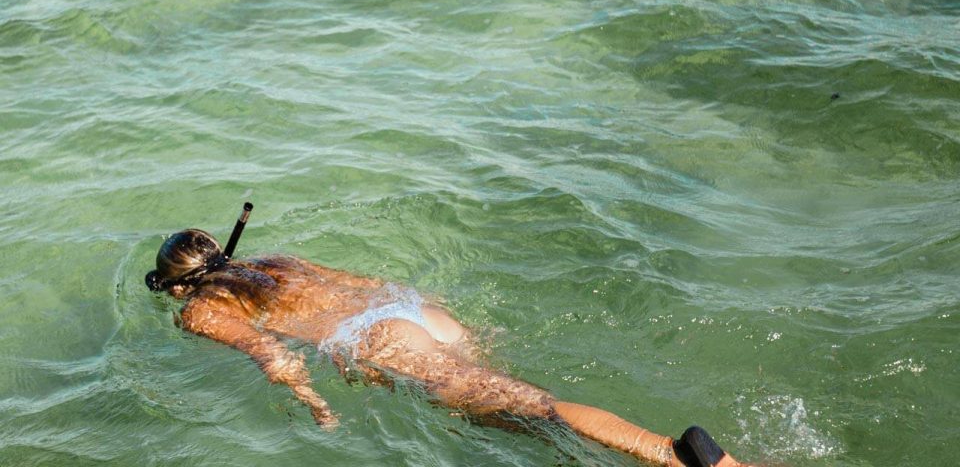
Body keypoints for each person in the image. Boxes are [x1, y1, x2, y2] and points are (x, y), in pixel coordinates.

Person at [145, 228, 756, 467]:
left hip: (382, 339)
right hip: (415, 314)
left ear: (177, 284)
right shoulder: (276, 262)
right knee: (509, 412)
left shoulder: (202, 310)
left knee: (537, 406)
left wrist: (318, 408)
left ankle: (678, 457)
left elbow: (275, 357)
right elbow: (371, 286)